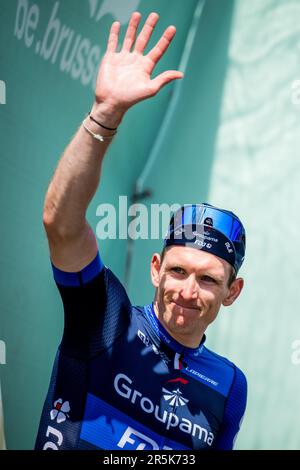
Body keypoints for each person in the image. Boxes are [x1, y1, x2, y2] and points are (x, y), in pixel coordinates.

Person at [35, 11, 247, 451]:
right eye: (178, 270)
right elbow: (61, 223)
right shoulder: (107, 317)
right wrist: (104, 115)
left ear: (233, 291)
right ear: (155, 269)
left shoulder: (230, 385)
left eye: (207, 278)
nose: (187, 290)